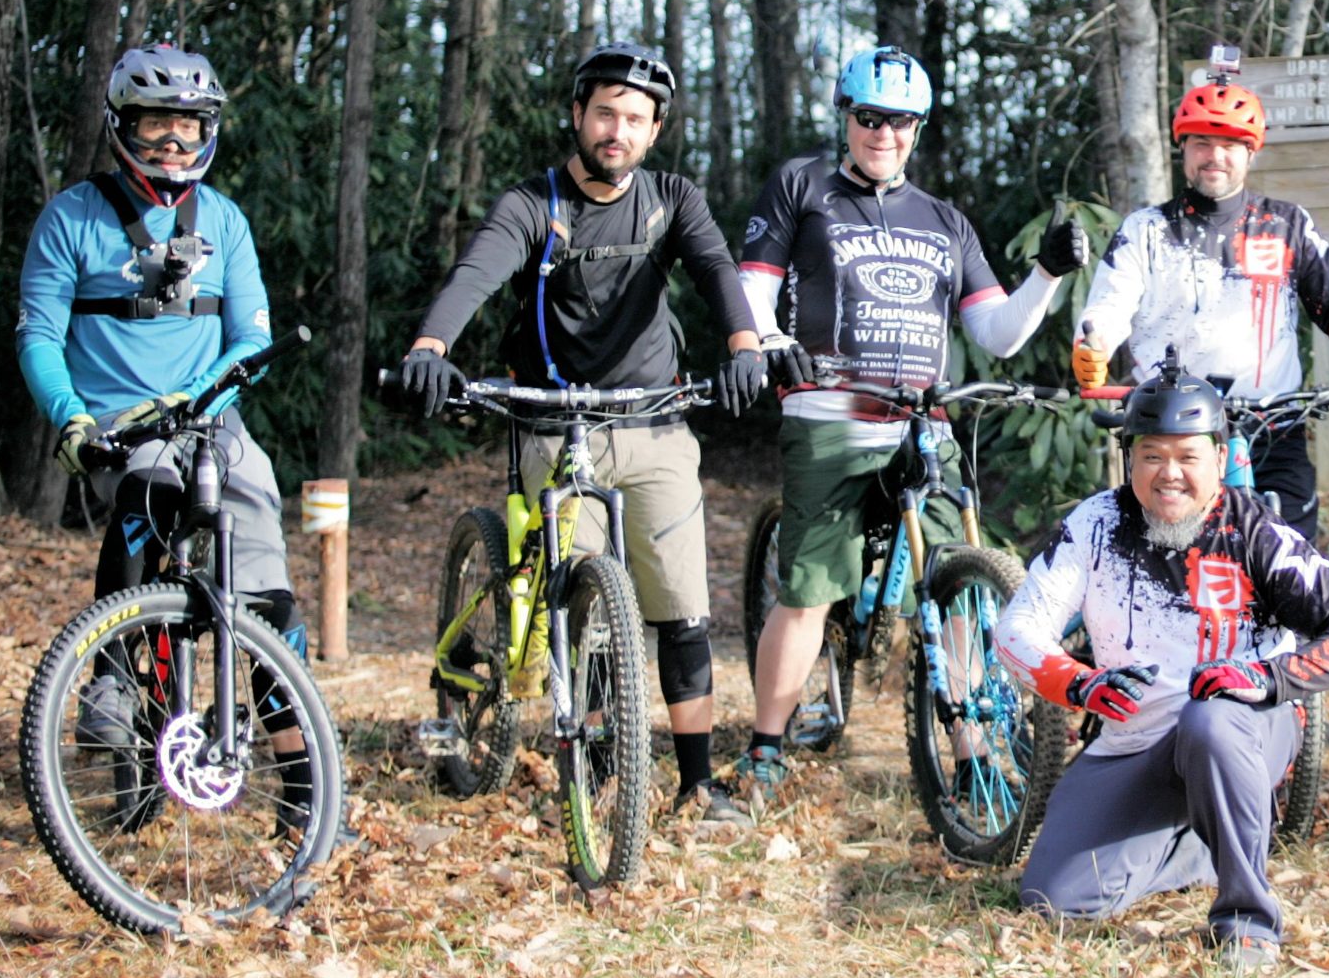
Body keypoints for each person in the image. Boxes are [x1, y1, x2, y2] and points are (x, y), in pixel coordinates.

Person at [396, 41, 768, 824]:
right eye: (604, 112)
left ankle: (696, 786)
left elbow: (716, 271)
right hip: (556, 423)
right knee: (587, 605)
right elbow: (477, 272)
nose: (617, 129)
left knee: (685, 612)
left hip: (654, 421)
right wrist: (432, 347)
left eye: (635, 118)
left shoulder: (672, 198)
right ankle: (597, 772)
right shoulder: (536, 205)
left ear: (654, 130)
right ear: (577, 114)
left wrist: (744, 348)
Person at [734, 46, 1085, 800]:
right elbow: (752, 287)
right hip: (829, 413)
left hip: (921, 422)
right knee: (807, 591)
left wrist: (1047, 275)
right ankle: (764, 751)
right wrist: (771, 345)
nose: (882, 134)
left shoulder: (943, 220)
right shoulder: (804, 187)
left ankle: (971, 751)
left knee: (960, 586)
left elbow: (995, 332)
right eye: (868, 118)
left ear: (917, 129)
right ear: (846, 117)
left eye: (898, 122)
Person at [995, 364, 1329, 974]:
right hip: (1136, 742)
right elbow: (1017, 630)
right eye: (1151, 455)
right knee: (1055, 899)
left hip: (1242, 731)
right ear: (1128, 456)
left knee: (1211, 717)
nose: (1169, 474)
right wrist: (1079, 683)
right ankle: (1205, 841)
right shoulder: (1095, 524)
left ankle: (1246, 921)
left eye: (1187, 455)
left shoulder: (1256, 530)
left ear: (1219, 455)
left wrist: (1271, 679)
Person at [17, 46, 298, 748]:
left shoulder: (225, 221)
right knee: (148, 486)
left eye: (190, 127)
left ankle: (305, 784)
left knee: (268, 589)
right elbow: (39, 334)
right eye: (154, 127)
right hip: (116, 423)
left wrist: (193, 398)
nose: (174, 143)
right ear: (121, 125)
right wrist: (71, 417)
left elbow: (251, 338)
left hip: (211, 419)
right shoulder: (69, 218)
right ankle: (111, 674)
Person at [1070, 68, 1329, 539]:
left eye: (1230, 144)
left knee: (1297, 570)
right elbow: (1110, 307)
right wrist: (1092, 346)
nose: (1214, 156)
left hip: (1273, 423)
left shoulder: (1285, 224)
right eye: (1200, 142)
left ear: (1250, 152)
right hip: (1170, 429)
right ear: (1183, 148)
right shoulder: (1147, 229)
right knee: (1170, 570)